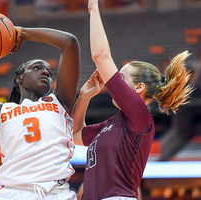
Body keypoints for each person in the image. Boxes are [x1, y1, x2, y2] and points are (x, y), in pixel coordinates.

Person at [71, 0, 194, 199]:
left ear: (139, 88)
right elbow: (75, 134)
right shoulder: (112, 124)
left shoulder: (139, 114)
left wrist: (93, 7)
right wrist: (85, 96)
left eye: (122, 77)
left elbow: (101, 55)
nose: (114, 80)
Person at [0, 26, 80, 200]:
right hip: (12, 193)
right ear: (19, 78)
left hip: (55, 194)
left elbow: (69, 43)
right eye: (37, 68)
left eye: (49, 71)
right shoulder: (0, 111)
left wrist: (24, 34)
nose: (46, 72)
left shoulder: (60, 102)